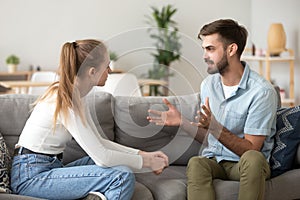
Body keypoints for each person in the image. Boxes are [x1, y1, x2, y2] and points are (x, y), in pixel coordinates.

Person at [11, 39, 169, 200]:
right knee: (121, 176)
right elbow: (103, 158)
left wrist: (143, 154)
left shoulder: (78, 95)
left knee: (118, 165)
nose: (110, 71)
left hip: (50, 166)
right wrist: (147, 163)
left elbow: (100, 143)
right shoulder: (66, 99)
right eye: (107, 66)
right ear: (92, 72)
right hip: (30, 176)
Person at [147, 19, 278, 200]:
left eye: (210, 49)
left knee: (254, 160)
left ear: (231, 50)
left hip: (244, 165)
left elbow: (251, 150)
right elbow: (210, 138)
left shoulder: (261, 92)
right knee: (197, 163)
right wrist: (182, 122)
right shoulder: (208, 85)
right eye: (204, 49)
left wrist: (215, 126)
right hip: (215, 161)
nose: (204, 56)